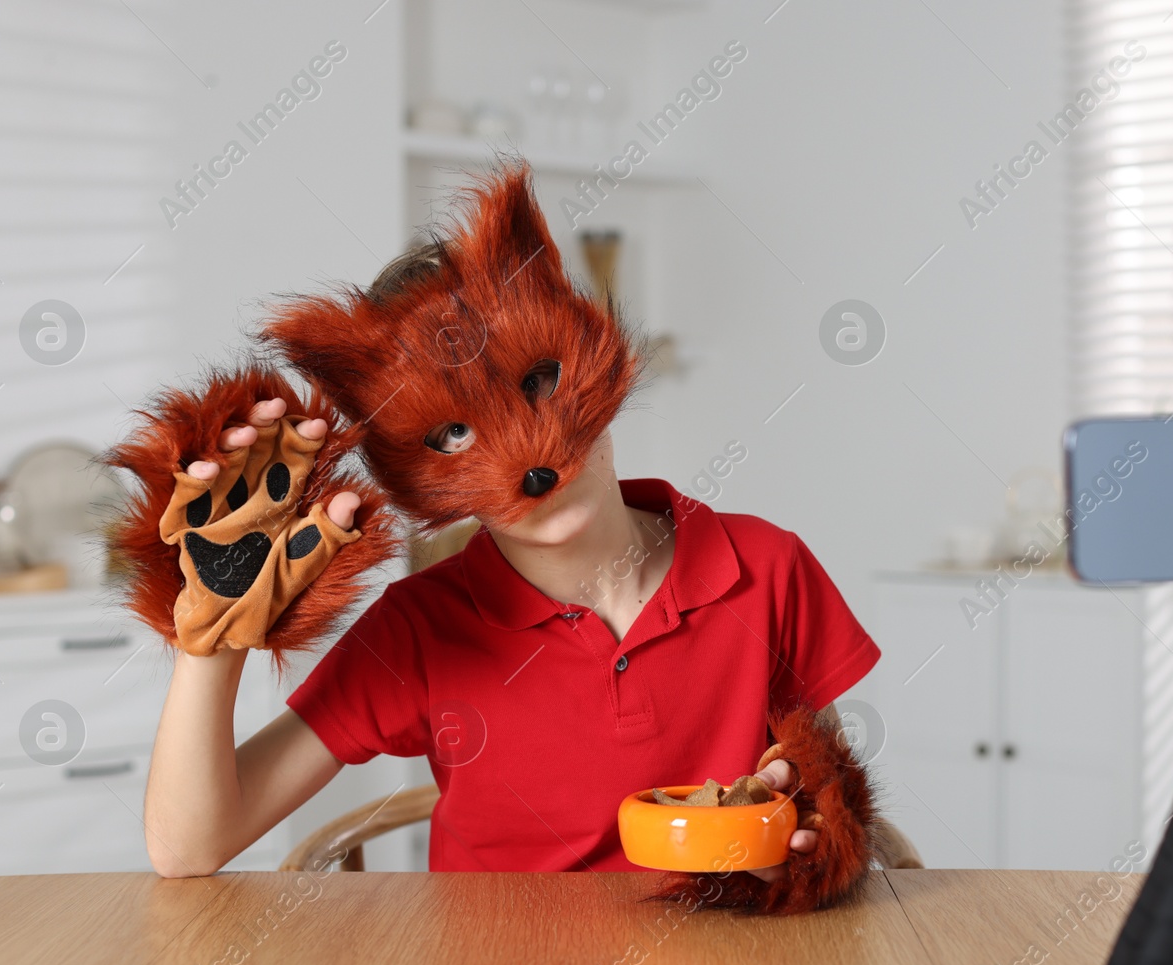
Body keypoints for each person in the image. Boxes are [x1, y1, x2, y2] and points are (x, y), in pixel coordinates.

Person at [112, 164, 882, 910]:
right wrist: (211, 636)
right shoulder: (422, 632)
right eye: (453, 432)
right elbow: (188, 847)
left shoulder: (764, 568)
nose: (532, 460)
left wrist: (816, 829)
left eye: (538, 382)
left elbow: (821, 793)